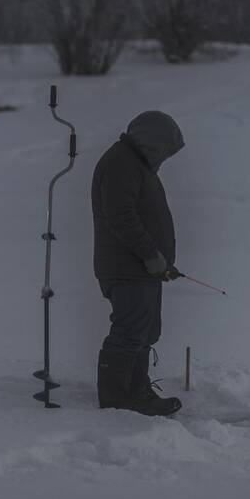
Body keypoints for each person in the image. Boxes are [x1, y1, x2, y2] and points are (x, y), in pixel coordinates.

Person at [91, 110, 185, 416]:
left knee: (145, 331)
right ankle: (118, 397)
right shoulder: (122, 163)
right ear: (152, 141)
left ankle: (137, 391)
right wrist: (151, 255)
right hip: (127, 266)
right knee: (130, 330)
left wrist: (160, 261)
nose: (165, 158)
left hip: (142, 268)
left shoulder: (135, 164)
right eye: (164, 150)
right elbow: (121, 217)